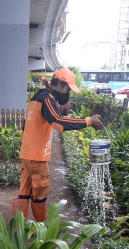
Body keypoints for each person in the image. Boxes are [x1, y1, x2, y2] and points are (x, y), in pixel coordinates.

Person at [13, 68, 104, 222]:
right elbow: (58, 122)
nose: (68, 93)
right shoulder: (47, 99)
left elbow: (29, 124)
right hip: (37, 156)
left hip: (27, 154)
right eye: (68, 89)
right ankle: (41, 230)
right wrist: (89, 121)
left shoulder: (38, 96)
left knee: (24, 192)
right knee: (40, 192)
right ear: (60, 84)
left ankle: (18, 231)